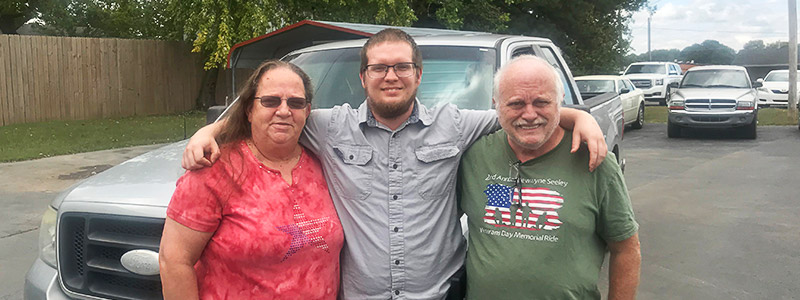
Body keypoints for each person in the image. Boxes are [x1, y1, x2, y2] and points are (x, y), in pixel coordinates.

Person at [182, 29, 608, 299]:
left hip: (439, 293)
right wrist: (209, 132)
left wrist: (580, 116)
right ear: (363, 77)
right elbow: (270, 112)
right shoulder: (326, 126)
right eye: (379, 68)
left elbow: (521, 113)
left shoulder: (455, 123)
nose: (391, 76)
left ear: (418, 75)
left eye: (402, 66)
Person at [457, 55, 641, 299]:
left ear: (560, 101)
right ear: (496, 104)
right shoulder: (473, 156)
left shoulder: (595, 160)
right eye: (516, 104)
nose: (530, 114)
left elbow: (626, 249)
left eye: (542, 102)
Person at [159, 60, 343, 299]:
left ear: (307, 111)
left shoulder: (326, 163)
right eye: (270, 101)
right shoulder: (214, 170)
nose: (284, 111)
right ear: (249, 110)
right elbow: (173, 261)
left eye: (296, 103)